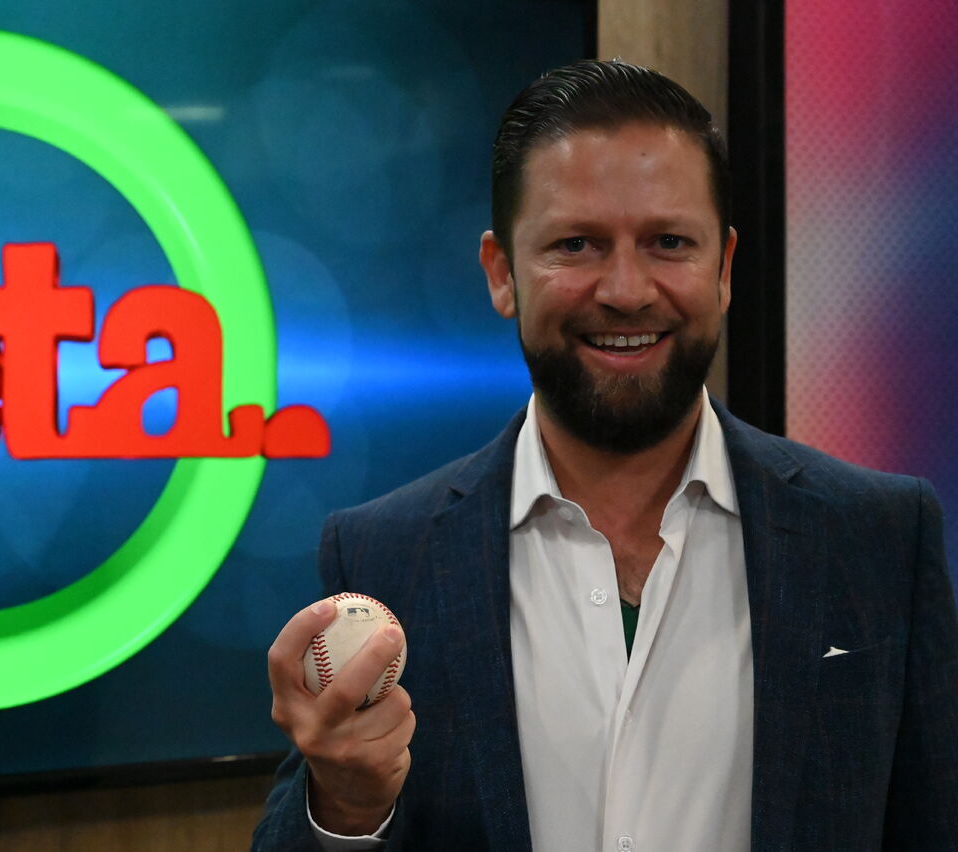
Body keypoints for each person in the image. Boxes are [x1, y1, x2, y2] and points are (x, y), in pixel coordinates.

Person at [252, 59, 958, 851]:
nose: (626, 290)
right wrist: (346, 807)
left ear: (724, 269)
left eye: (668, 242)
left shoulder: (879, 536)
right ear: (502, 274)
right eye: (576, 244)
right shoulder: (384, 555)